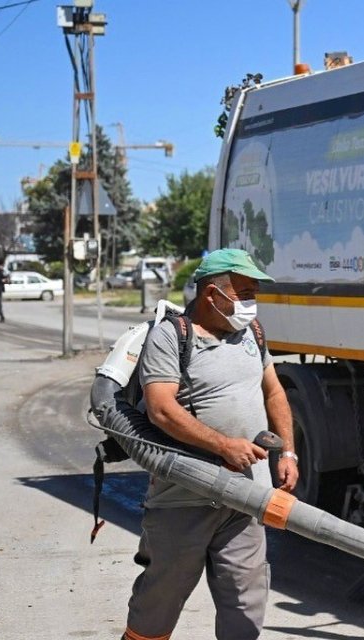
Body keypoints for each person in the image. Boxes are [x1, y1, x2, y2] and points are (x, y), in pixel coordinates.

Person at [123, 248, 298, 640]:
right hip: (184, 496)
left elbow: (274, 393)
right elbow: (161, 410)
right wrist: (223, 446)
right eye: (245, 291)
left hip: (247, 496)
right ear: (212, 295)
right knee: (159, 600)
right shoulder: (172, 336)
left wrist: (288, 451)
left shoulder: (252, 333)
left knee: (245, 600)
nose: (252, 301)